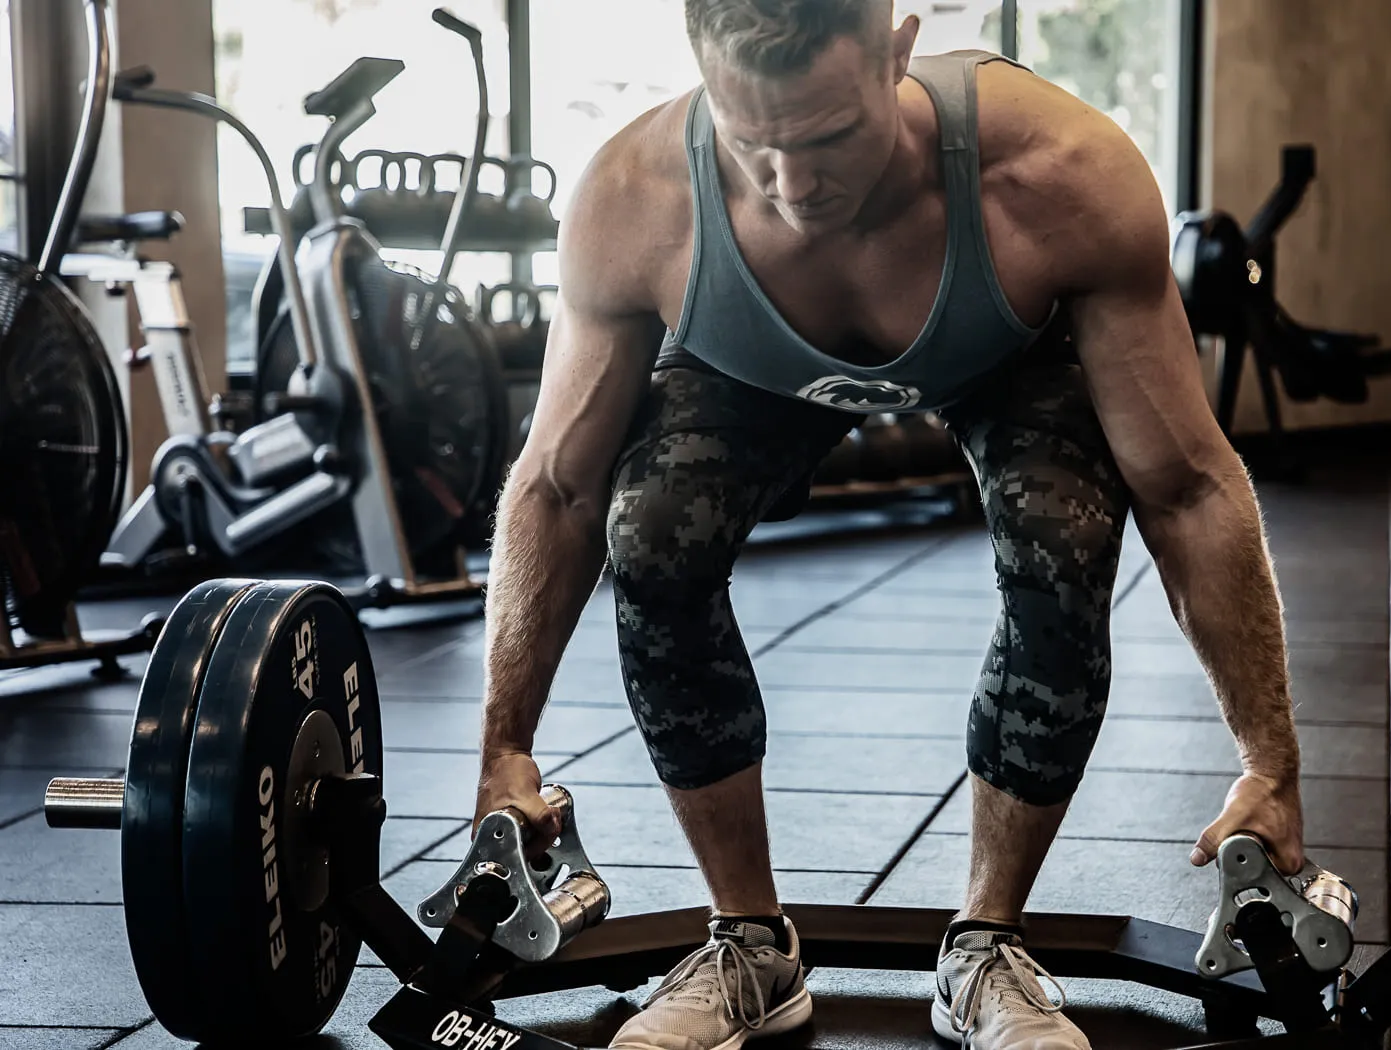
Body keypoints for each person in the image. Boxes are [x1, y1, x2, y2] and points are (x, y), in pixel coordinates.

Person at [473, 2, 1306, 1047]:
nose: (792, 185)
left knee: (1064, 537)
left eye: (828, 137)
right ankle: (749, 944)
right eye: (752, 140)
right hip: (751, 363)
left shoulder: (1058, 174)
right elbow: (556, 489)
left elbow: (1186, 487)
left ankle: (987, 946)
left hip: (1000, 348)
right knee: (651, 531)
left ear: (898, 56)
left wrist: (1270, 763)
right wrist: (504, 745)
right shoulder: (637, 198)